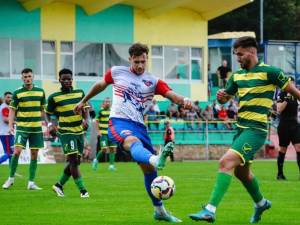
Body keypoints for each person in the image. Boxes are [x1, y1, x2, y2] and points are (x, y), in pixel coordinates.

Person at [74, 43, 192, 222]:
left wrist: (185, 100)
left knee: (149, 170)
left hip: (140, 126)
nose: (140, 65)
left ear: (147, 59)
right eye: (136, 61)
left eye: (143, 61)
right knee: (131, 141)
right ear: (129, 59)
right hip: (118, 122)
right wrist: (83, 101)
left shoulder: (153, 81)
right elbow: (100, 85)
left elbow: (171, 95)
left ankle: (159, 211)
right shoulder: (117, 72)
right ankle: (156, 158)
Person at [189, 36, 300, 223]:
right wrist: (221, 97)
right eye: (236, 55)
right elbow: (224, 99)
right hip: (240, 129)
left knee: (225, 163)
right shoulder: (237, 76)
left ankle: (210, 210)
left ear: (252, 52)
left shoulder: (271, 72)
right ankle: (261, 203)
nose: (238, 58)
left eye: (240, 54)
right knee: (242, 173)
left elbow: (295, 92)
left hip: (256, 130)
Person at [46, 68, 89, 198]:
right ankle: (83, 191)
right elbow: (47, 113)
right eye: (64, 79)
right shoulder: (54, 97)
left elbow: (85, 109)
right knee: (73, 161)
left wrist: (86, 120)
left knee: (76, 162)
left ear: (72, 80)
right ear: (59, 80)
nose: (67, 81)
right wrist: (50, 125)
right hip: (65, 132)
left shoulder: (80, 93)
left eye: (69, 79)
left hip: (79, 131)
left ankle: (58, 185)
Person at [2, 68, 46, 190]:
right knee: (16, 151)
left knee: (34, 154)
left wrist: (47, 124)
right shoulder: (17, 93)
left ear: (33, 77)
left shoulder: (40, 91)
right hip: (22, 127)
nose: (27, 78)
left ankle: (31, 182)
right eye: (25, 77)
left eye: (29, 76)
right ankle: (11, 178)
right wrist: (11, 125)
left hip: (36, 128)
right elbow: (12, 110)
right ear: (22, 78)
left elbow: (43, 110)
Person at [276, 77, 300, 180]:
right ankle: (280, 174)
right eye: (289, 83)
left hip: (295, 124)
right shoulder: (281, 94)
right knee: (283, 149)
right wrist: (287, 98)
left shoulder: (297, 94)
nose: (291, 84)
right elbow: (279, 110)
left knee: (299, 148)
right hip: (284, 125)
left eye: (292, 82)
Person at [92, 97, 117, 171]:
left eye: (109, 102)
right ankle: (96, 160)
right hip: (103, 134)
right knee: (104, 149)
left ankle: (111, 166)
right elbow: (96, 121)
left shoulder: (112, 111)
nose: (108, 103)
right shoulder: (100, 111)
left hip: (111, 133)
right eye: (106, 102)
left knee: (112, 149)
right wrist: (98, 131)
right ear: (103, 103)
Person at [0, 92, 14, 165]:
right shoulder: (4, 107)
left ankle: (12, 172)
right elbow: (5, 120)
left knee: (11, 153)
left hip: (8, 133)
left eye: (11, 97)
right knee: (9, 153)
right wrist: (16, 122)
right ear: (4, 98)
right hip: (6, 134)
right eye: (8, 97)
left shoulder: (8, 107)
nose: (10, 99)